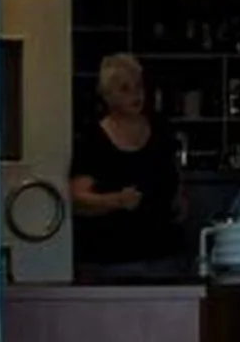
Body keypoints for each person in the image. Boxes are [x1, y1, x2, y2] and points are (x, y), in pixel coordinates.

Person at [69, 53, 185, 275]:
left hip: (165, 254)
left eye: (138, 86)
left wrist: (180, 198)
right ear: (107, 96)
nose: (135, 94)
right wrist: (116, 200)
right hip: (111, 259)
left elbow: (175, 173)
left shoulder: (160, 130)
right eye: (125, 89)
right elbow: (78, 199)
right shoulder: (93, 139)